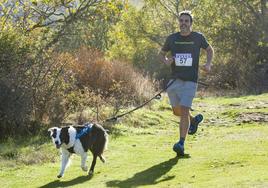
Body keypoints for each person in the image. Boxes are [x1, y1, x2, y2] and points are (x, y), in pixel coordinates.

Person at [158, 10, 214, 156]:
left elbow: (209, 50)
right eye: (181, 20)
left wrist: (208, 64)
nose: (183, 23)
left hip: (190, 80)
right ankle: (193, 121)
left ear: (191, 23)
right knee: (176, 111)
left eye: (186, 21)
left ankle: (181, 143)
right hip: (174, 80)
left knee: (183, 110)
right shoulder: (172, 38)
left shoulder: (198, 37)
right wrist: (166, 61)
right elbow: (161, 54)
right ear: (179, 22)